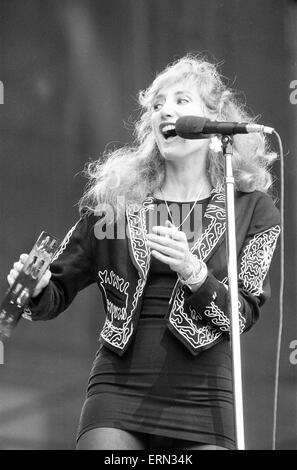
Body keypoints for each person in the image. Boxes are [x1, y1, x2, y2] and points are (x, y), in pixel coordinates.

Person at [7, 54, 281, 450]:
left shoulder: (253, 209)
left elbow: (241, 318)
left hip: (204, 398)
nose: (165, 110)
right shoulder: (118, 204)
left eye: (181, 100)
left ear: (213, 117)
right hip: (116, 393)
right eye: (156, 105)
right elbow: (53, 295)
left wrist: (194, 272)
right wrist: (37, 285)